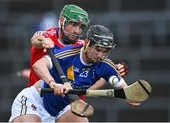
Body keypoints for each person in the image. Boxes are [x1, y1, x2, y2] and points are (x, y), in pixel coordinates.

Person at [9, 25, 139, 122]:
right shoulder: (68, 53)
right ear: (87, 43)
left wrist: (131, 97)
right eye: (98, 49)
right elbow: (39, 65)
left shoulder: (106, 66)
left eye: (105, 51)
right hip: (36, 101)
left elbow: (125, 90)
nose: (101, 55)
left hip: (63, 108)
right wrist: (53, 84)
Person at [27, 4, 128, 87]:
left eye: (81, 27)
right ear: (62, 22)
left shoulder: (83, 46)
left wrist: (115, 69)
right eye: (74, 24)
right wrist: (43, 41)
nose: (77, 31)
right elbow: (35, 39)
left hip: (68, 101)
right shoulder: (47, 35)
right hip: (41, 94)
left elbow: (102, 64)